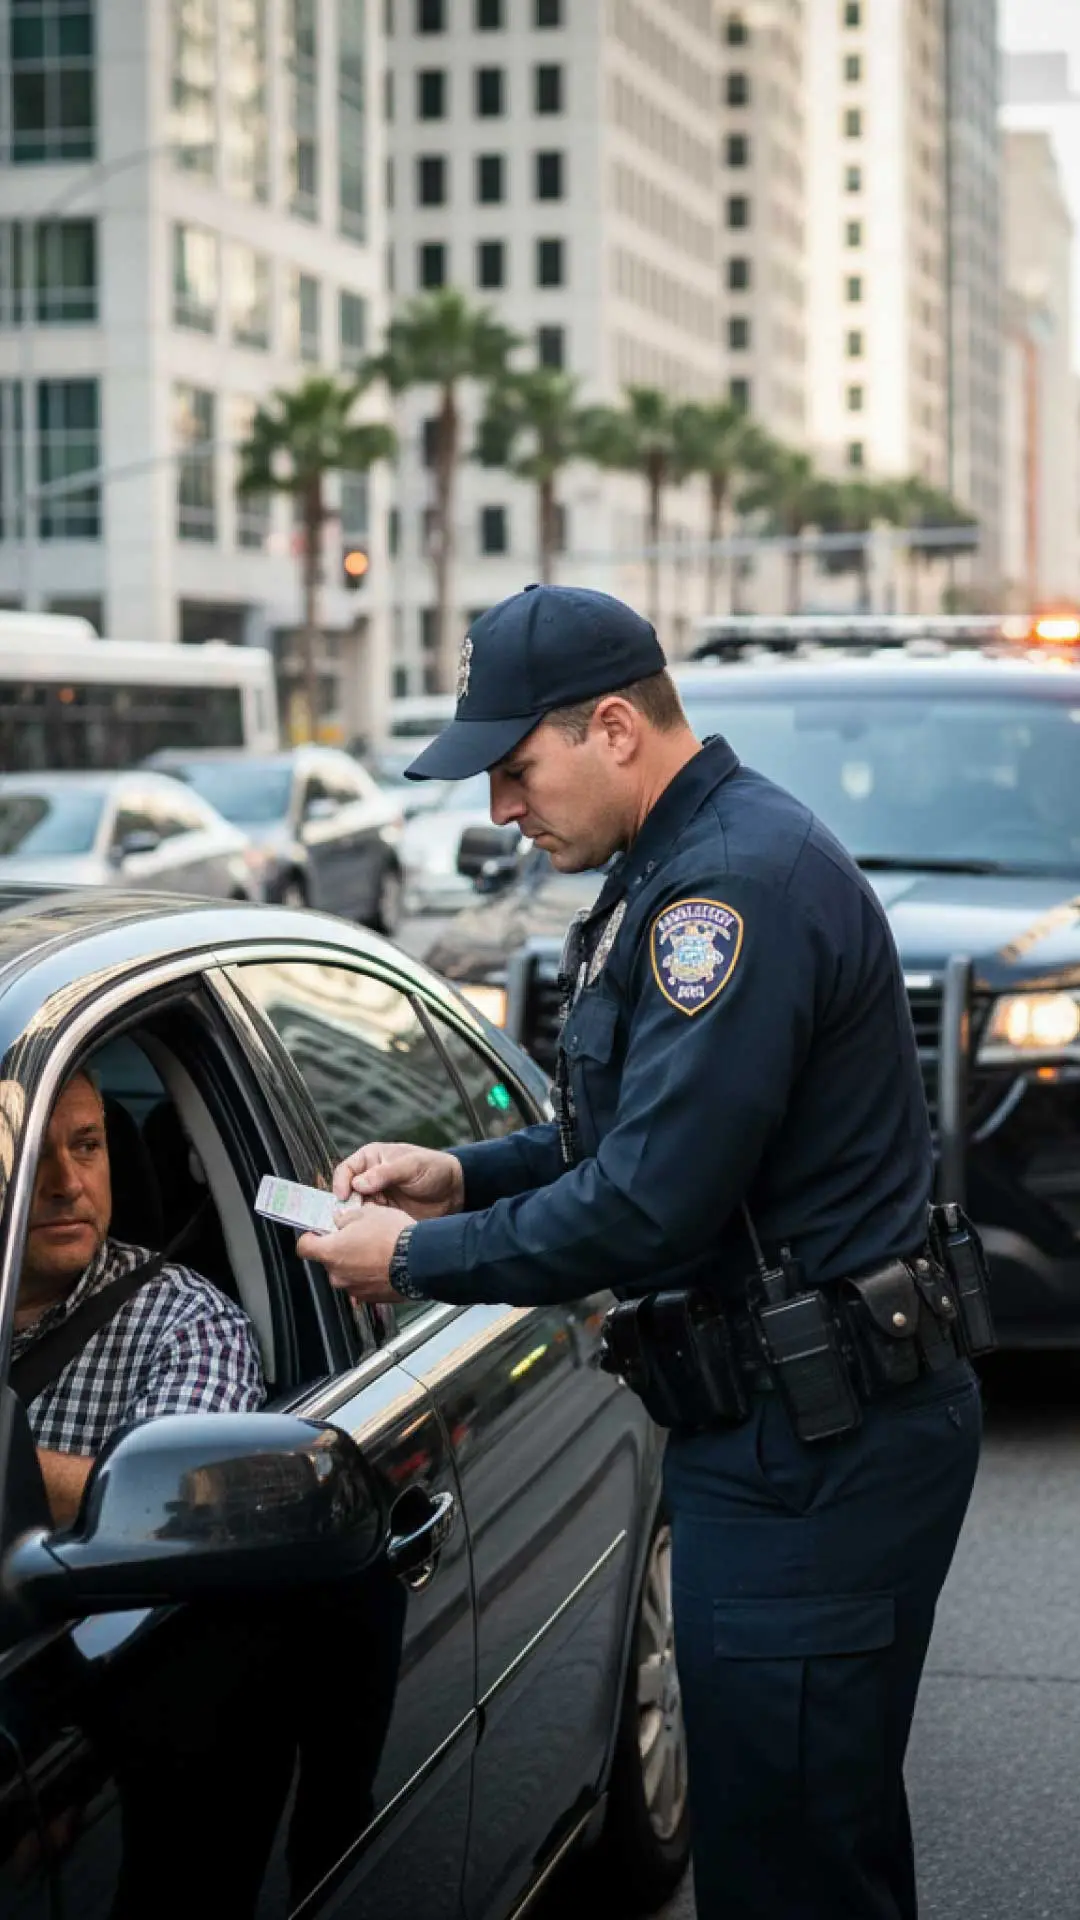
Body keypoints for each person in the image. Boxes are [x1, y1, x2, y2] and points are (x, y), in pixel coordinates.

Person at [298, 583, 982, 1919]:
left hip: (814, 1456)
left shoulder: (722, 889)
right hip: (794, 1433)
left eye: (514, 767)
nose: (500, 806)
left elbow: (648, 1208)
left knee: (791, 1867)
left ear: (614, 726)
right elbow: (623, 1140)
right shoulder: (682, 864)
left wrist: (415, 1262)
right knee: (805, 1833)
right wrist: (455, 1177)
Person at [15, 1068, 265, 1525]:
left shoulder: (190, 1323)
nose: (67, 1184)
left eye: (87, 1146)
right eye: (26, 1152)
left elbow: (174, 1502)